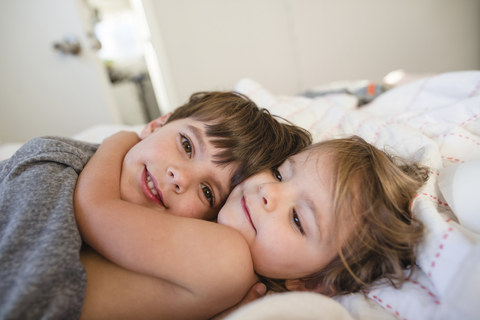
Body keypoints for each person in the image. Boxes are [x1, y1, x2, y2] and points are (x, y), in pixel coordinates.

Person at [0, 91, 312, 320]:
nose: (180, 177)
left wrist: (118, 141)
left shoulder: (185, 263)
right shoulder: (63, 164)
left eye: (207, 191)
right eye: (187, 145)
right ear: (156, 124)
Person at [74, 133, 429, 319]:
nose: (269, 193)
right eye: (279, 172)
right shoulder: (234, 276)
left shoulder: (226, 254)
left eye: (296, 219)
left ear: (311, 284)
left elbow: (93, 210)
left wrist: (118, 141)